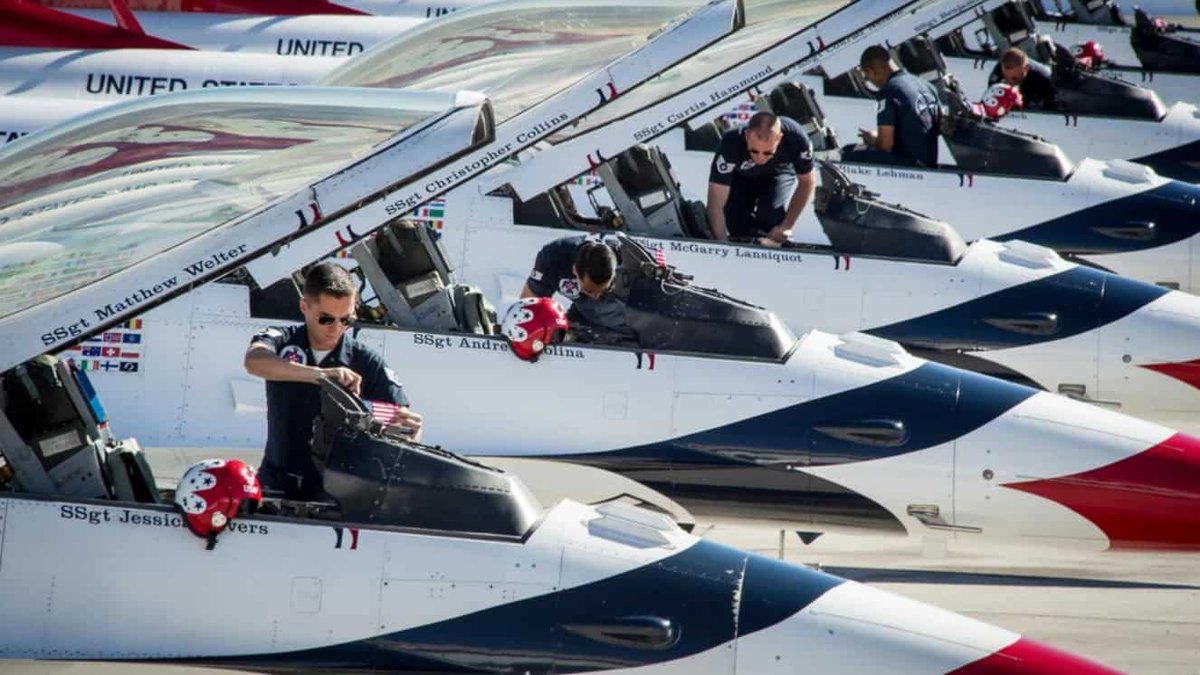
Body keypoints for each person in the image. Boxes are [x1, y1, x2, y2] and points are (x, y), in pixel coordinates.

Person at [244, 262, 422, 500]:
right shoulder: (282, 340)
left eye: (346, 320)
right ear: (304, 307)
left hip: (333, 491)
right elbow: (254, 361)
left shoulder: (365, 360)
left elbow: (400, 422)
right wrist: (322, 375)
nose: (336, 329)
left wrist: (410, 431)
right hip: (276, 480)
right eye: (326, 319)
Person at [706, 111, 816, 243]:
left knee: (770, 216)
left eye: (768, 152)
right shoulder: (731, 142)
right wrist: (722, 243)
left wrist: (787, 226)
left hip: (779, 173)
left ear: (779, 138)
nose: (760, 157)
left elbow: (807, 182)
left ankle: (770, 242)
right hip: (743, 176)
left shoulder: (797, 139)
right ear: (746, 136)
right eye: (754, 151)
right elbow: (715, 201)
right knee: (735, 222)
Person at [520, 234, 634, 344]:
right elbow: (527, 308)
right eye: (589, 291)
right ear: (574, 271)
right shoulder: (554, 258)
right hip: (583, 315)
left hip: (625, 320)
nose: (596, 296)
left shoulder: (630, 261)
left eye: (604, 290)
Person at [842, 45, 942, 167]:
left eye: (867, 76)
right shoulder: (927, 86)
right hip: (929, 161)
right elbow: (936, 127)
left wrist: (873, 139)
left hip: (908, 164)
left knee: (846, 154)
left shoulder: (889, 91)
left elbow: (885, 145)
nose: (868, 80)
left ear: (871, 71)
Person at [987, 47, 1059, 112]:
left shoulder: (1042, 79)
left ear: (1026, 68)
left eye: (1014, 78)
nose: (1009, 82)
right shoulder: (1000, 69)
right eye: (1006, 77)